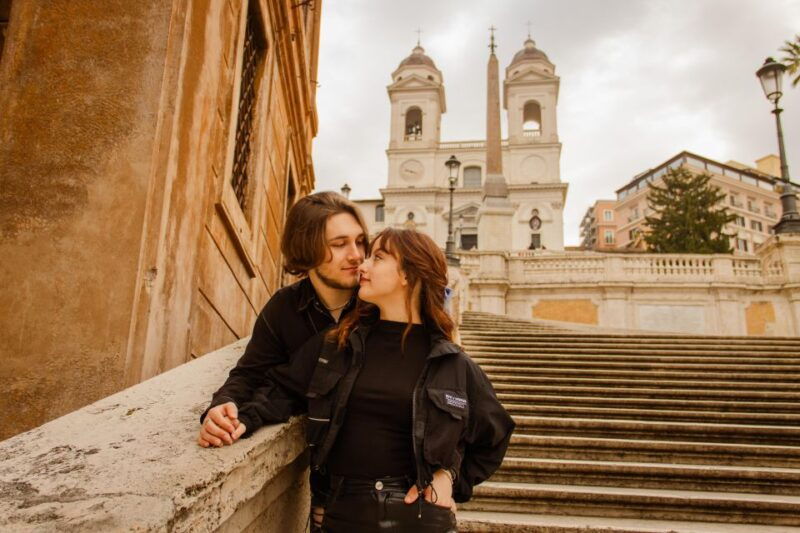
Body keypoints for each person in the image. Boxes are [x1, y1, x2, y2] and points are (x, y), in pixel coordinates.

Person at [231, 228, 516, 532]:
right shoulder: (337, 346)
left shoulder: (452, 364)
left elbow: (495, 435)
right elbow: (280, 390)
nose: (362, 265)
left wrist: (449, 477)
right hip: (342, 517)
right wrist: (239, 418)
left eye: (377, 258)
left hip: (421, 521)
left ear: (408, 274)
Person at [197, 191, 369, 531]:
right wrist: (223, 407)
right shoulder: (285, 307)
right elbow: (250, 372)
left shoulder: (378, 303)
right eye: (339, 244)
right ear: (306, 249)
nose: (356, 255)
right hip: (329, 496)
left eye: (360, 241)